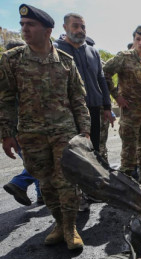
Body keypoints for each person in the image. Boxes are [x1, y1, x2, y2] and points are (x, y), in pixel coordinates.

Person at [0, 4, 91, 250]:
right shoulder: (12, 60)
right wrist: (5, 134)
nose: (24, 29)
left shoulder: (66, 61)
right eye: (22, 25)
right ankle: (58, 223)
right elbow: (3, 99)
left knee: (67, 181)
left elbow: (78, 98)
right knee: (46, 182)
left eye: (30, 25)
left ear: (47, 30)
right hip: (31, 134)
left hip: (64, 132)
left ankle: (70, 228)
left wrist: (85, 131)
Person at [0, 38, 43, 207]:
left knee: (32, 158)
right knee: (40, 159)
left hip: (5, 122)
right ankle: (20, 183)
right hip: (21, 123)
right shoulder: (12, 67)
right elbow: (15, 99)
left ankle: (41, 194)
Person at [54, 13, 114, 157]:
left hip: (93, 109)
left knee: (94, 151)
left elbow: (101, 79)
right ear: (65, 27)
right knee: (74, 154)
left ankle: (94, 179)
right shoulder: (56, 50)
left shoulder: (92, 51)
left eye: (83, 27)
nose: (80, 30)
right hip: (69, 112)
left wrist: (107, 106)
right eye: (75, 26)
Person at [103, 25, 141, 183]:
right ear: (134, 40)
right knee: (129, 147)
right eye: (137, 39)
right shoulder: (124, 57)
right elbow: (104, 73)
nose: (140, 43)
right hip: (130, 110)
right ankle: (125, 178)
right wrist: (116, 96)